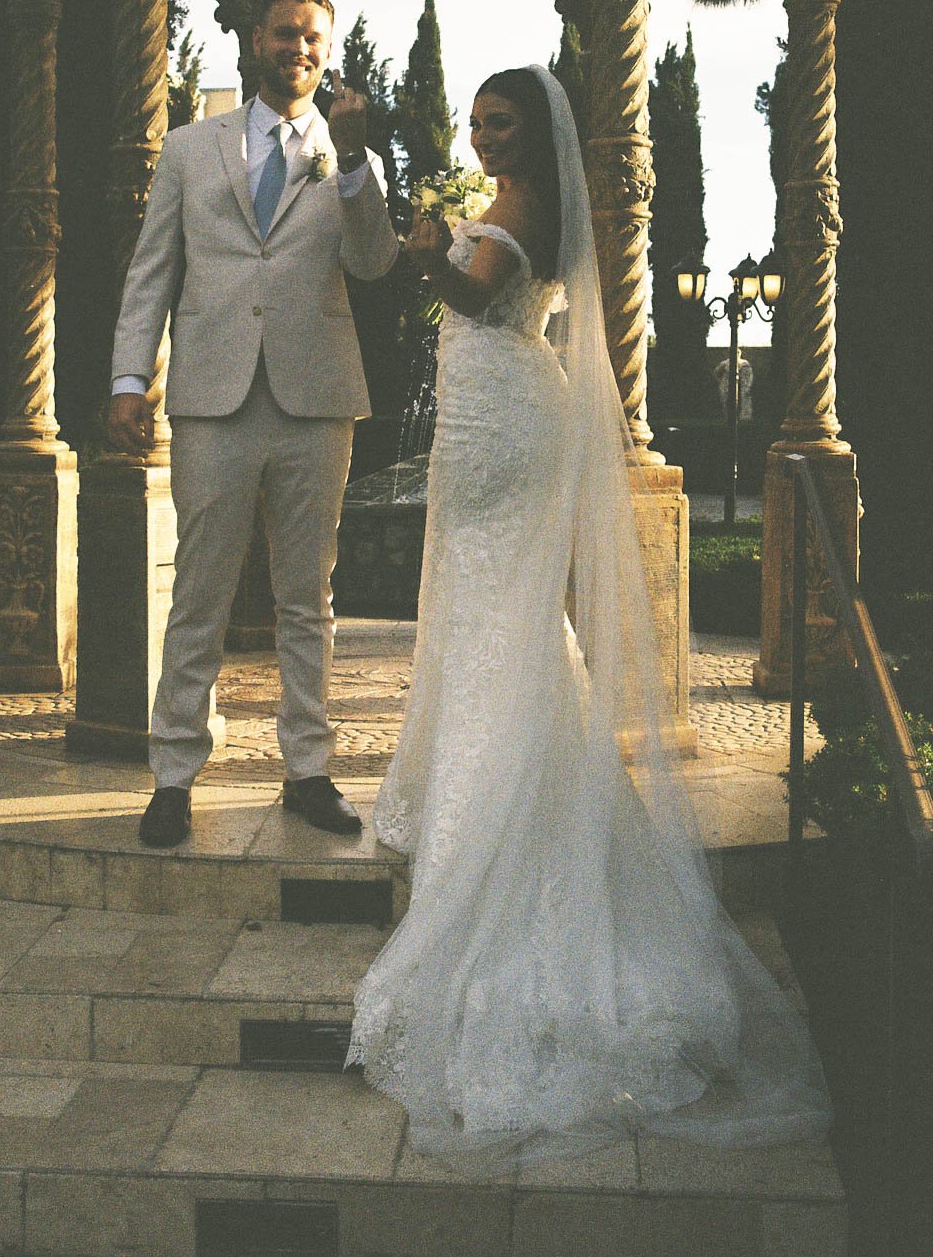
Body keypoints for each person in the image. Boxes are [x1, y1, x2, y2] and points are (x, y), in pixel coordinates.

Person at [347, 65, 831, 1163]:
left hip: (504, 419)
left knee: (498, 620)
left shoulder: (519, 205)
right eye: (475, 119)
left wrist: (431, 250)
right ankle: (504, 780)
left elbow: (473, 298)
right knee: (497, 623)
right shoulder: (525, 200)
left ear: (535, 130)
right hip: (494, 411)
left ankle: (500, 815)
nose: (483, 133)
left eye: (499, 119)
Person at [109, 0, 399, 848]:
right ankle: (171, 776)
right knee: (198, 592)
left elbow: (374, 262)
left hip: (316, 401)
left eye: (313, 37)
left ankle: (308, 770)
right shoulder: (191, 149)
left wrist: (350, 165)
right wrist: (130, 377)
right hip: (211, 398)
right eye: (285, 33)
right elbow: (151, 271)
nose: (298, 48)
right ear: (255, 42)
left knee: (309, 598)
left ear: (327, 50)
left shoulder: (351, 158)